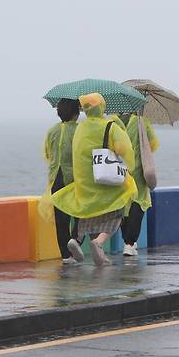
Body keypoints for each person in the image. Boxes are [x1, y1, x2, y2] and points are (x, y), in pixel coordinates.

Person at [52, 93, 137, 266]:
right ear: (102, 107)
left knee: (88, 214)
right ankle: (99, 242)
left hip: (85, 182)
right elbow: (124, 150)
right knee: (117, 213)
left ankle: (78, 240)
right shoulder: (110, 126)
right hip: (105, 180)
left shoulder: (80, 128)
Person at [43, 98, 80, 264]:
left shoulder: (52, 131)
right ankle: (76, 239)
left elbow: (47, 153)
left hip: (56, 178)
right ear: (76, 113)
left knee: (61, 219)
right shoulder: (80, 130)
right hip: (74, 178)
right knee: (82, 212)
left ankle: (66, 255)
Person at [117, 113, 159, 256]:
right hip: (138, 171)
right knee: (138, 202)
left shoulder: (114, 122)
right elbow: (152, 145)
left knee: (123, 206)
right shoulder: (142, 121)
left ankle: (127, 241)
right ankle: (129, 243)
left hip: (119, 171)